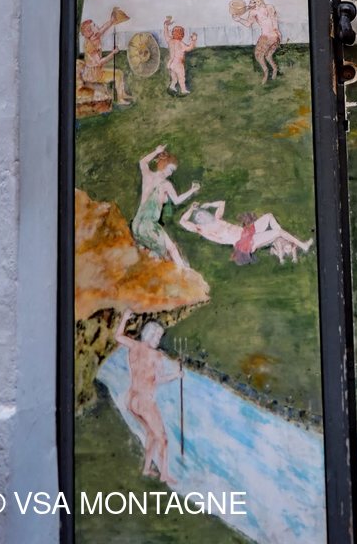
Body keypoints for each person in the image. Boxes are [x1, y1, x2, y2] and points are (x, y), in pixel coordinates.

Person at [115, 308, 182, 486]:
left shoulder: (133, 345)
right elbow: (159, 379)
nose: (158, 340)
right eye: (157, 336)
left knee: (151, 433)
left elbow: (118, 336)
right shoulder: (156, 356)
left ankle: (146, 468)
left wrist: (125, 317)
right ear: (150, 335)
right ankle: (164, 474)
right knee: (163, 439)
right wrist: (176, 375)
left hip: (131, 400)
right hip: (145, 402)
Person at [132, 144, 200, 267]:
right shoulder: (166, 184)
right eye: (171, 170)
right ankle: (185, 273)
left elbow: (142, 162)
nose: (170, 174)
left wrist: (156, 151)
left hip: (136, 225)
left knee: (151, 254)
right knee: (172, 249)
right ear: (163, 164)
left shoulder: (147, 175)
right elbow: (177, 200)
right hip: (149, 225)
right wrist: (192, 190)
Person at [180, 199, 312, 261]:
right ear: (197, 222)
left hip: (247, 231)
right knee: (277, 232)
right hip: (244, 242)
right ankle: (302, 246)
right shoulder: (203, 230)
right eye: (198, 216)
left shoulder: (217, 218)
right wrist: (191, 209)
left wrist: (209, 204)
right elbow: (183, 222)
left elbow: (222, 203)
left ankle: (280, 243)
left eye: (202, 213)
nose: (202, 215)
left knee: (269, 216)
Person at [79, 16, 133, 104]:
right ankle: (120, 99)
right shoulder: (90, 45)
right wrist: (113, 53)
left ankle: (122, 94)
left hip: (96, 71)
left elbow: (103, 29)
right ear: (89, 31)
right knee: (118, 74)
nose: (97, 26)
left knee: (119, 73)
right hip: (94, 74)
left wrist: (112, 21)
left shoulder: (95, 36)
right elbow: (100, 62)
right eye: (94, 26)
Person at [231, 0, 281, 83]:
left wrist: (278, 33)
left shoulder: (265, 8)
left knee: (259, 55)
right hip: (273, 35)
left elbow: (274, 20)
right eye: (251, 2)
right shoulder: (255, 11)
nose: (252, 3)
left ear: (260, 0)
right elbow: (248, 23)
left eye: (255, 1)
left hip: (268, 36)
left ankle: (266, 72)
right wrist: (239, 19)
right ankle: (274, 69)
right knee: (268, 55)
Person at [163, 16, 197, 95]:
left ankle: (172, 86)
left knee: (174, 77)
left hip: (171, 64)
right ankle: (183, 90)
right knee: (181, 77)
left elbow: (166, 34)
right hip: (178, 64)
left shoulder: (170, 41)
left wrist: (165, 26)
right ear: (182, 35)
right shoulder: (181, 44)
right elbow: (189, 48)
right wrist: (193, 40)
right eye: (182, 34)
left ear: (173, 33)